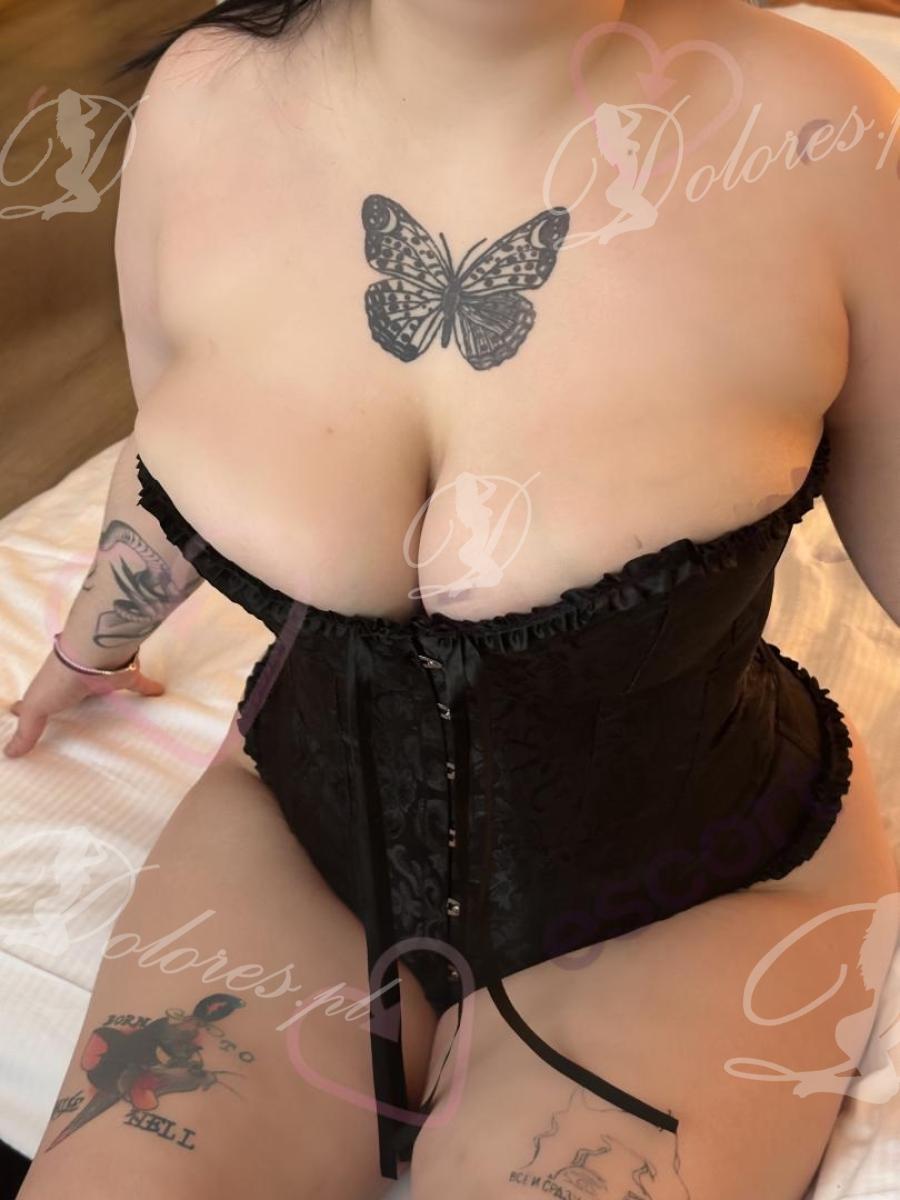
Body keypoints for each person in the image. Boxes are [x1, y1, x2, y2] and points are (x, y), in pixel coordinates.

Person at [8, 1, 899, 1197]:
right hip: (297, 831)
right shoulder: (199, 100)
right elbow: (172, 446)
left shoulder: (827, 135)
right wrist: (93, 638)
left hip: (698, 887)